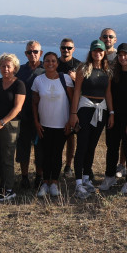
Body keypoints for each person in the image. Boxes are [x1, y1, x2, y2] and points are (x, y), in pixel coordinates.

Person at [71, 40, 114, 197]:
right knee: (82, 146)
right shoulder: (83, 68)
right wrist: (73, 114)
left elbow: (108, 93)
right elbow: (76, 91)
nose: (98, 53)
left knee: (92, 146)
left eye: (100, 51)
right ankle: (78, 183)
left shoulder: (106, 70)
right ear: (91, 52)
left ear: (104, 53)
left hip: (101, 110)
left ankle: (86, 178)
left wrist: (112, 113)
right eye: (95, 51)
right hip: (85, 109)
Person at [32, 52, 74, 198]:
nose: (50, 63)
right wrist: (36, 122)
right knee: (45, 154)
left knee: (57, 154)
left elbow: (72, 99)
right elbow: (34, 102)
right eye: (47, 61)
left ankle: (54, 182)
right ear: (43, 62)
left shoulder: (66, 79)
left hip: (62, 124)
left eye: (53, 61)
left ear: (57, 63)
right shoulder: (38, 80)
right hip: (44, 124)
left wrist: (70, 120)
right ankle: (45, 182)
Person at [0, 53, 26, 202]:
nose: (5, 68)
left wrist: (2, 122)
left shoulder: (19, 84)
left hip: (10, 125)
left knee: (8, 157)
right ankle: (2, 186)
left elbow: (17, 108)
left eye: (8, 66)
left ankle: (9, 189)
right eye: (3, 66)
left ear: (14, 67)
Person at [103, 43, 127, 194]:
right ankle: (109, 176)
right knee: (111, 148)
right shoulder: (114, 74)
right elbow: (110, 95)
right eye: (120, 55)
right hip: (114, 116)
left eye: (125, 55)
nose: (122, 58)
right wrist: (111, 114)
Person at [15, 41, 46, 191]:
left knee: (40, 149)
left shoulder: (46, 70)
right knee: (23, 149)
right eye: (29, 52)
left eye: (35, 51)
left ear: (40, 53)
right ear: (25, 54)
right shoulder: (19, 71)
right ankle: (25, 177)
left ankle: (39, 177)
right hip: (23, 117)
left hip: (42, 117)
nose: (32, 54)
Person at [56, 38, 79, 177]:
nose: (66, 50)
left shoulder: (78, 65)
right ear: (60, 48)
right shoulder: (54, 63)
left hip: (72, 106)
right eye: (64, 47)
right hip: (55, 105)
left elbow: (84, 87)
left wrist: (76, 79)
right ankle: (56, 164)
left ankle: (68, 166)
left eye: (69, 48)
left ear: (73, 49)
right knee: (56, 137)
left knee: (70, 137)